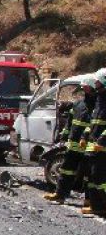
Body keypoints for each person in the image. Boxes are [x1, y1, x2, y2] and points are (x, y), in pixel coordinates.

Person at [45, 77, 96, 205]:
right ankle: (60, 194)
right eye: (83, 87)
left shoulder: (97, 106)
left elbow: (95, 126)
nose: (84, 89)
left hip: (87, 146)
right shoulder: (78, 104)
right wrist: (63, 137)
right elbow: (70, 122)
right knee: (66, 170)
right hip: (73, 145)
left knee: (88, 174)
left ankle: (89, 200)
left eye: (86, 87)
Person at [82, 68, 106, 216]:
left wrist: (103, 141)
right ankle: (96, 206)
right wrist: (85, 136)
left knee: (100, 180)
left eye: (97, 81)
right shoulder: (99, 99)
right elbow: (94, 122)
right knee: (92, 178)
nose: (95, 84)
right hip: (94, 147)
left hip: (102, 148)